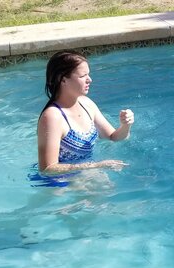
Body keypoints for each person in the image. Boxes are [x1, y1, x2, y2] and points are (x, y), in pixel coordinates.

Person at [30, 50, 134, 186]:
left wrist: (126, 125)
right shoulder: (52, 117)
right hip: (59, 184)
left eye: (88, 74)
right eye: (83, 75)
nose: (89, 79)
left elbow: (114, 137)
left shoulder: (86, 104)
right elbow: (47, 169)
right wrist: (95, 166)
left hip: (85, 174)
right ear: (63, 79)